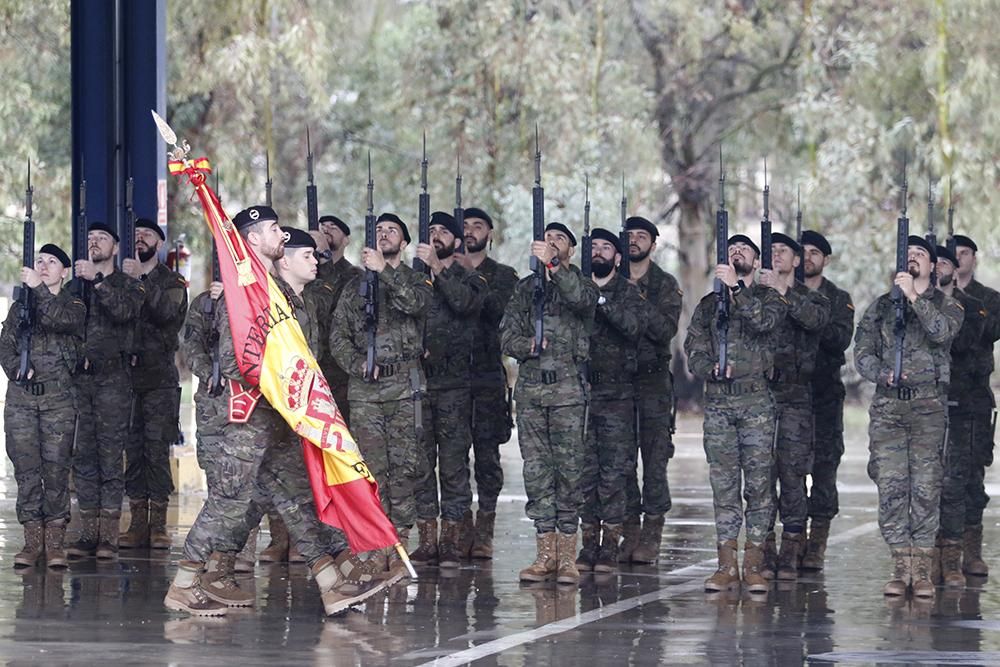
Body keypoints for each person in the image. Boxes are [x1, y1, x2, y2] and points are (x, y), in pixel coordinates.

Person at [166, 207, 398, 618]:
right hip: (245, 421)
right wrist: (283, 379)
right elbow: (235, 360)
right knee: (229, 503)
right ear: (253, 239)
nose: (282, 235)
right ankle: (185, 583)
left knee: (298, 498)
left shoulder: (272, 291)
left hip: (275, 419)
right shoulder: (245, 292)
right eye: (274, 229)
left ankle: (331, 581)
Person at [854, 236, 962, 598]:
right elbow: (862, 351)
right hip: (889, 408)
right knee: (891, 485)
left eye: (921, 255)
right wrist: (880, 372)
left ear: (933, 267)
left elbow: (941, 333)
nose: (913, 258)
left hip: (928, 408)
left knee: (927, 487)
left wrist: (914, 298)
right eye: (908, 253)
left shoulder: (947, 306)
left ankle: (923, 569)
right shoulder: (881, 307)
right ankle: (901, 566)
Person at [683, 234, 786, 594]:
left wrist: (737, 291)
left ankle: (754, 563)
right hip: (720, 404)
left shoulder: (768, 298)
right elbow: (693, 344)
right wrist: (707, 367)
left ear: (756, 263)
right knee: (724, 484)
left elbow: (764, 324)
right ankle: (726, 565)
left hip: (756, 403)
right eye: (732, 249)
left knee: (759, 485)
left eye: (745, 249)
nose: (737, 252)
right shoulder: (710, 305)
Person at [500, 221, 599, 585]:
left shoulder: (580, 284)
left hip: (568, 393)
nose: (552, 243)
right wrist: (528, 346)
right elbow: (506, 335)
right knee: (537, 473)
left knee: (570, 473)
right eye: (548, 238)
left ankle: (568, 557)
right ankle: (545, 554)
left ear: (570, 250)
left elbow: (582, 299)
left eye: (560, 239)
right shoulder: (525, 290)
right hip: (531, 393)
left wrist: (555, 268)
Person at [330, 213, 433, 545]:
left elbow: (416, 304)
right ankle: (376, 542)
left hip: (404, 390)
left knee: (404, 468)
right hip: (366, 394)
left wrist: (383, 272)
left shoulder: (416, 281)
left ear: (403, 243)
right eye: (378, 230)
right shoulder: (353, 288)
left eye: (392, 231)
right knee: (371, 469)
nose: (384, 234)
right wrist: (358, 363)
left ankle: (399, 540)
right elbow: (338, 338)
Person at [1, 244, 85, 568]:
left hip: (58, 402)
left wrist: (36, 288)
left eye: (52, 262)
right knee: (26, 470)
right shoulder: (20, 307)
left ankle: (55, 544)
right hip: (22, 399)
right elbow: (5, 343)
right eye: (40, 261)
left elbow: (60, 320)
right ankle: (32, 542)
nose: (44, 265)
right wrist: (15, 369)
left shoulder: (74, 304)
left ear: (64, 272)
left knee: (56, 470)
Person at [411, 211, 487, 567]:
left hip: (456, 386)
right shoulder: (413, 279)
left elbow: (464, 304)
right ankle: (427, 540)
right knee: (422, 464)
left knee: (454, 466)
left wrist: (439, 271)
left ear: (456, 242)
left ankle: (453, 540)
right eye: (431, 231)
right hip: (420, 386)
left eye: (444, 232)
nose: (436, 236)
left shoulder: (470, 279)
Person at [66, 222, 145, 560]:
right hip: (80, 382)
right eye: (89, 239)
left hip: (114, 381)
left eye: (101, 239)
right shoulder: (73, 288)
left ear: (115, 248)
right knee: (83, 457)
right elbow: (61, 327)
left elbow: (124, 313)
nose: (94, 243)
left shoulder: (129, 286)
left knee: (110, 457)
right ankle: (88, 533)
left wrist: (97, 282)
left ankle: (109, 537)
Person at [758, 232, 830, 581]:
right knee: (760, 477)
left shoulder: (810, 299)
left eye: (782, 251)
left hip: (796, 398)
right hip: (759, 396)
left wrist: (782, 293)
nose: (776, 255)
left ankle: (792, 547)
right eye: (770, 250)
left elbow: (816, 323)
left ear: (796, 261)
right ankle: (764, 548)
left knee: (792, 475)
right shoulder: (754, 296)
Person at [576, 228, 646, 574]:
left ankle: (610, 544)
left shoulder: (628, 293)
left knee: (615, 472)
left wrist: (600, 301)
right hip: (583, 393)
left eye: (607, 248)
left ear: (618, 258)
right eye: (594, 247)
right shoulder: (575, 289)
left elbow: (633, 328)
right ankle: (588, 542)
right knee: (585, 471)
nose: (599, 252)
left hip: (618, 394)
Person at [119, 218, 189, 550]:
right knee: (132, 451)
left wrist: (140, 282)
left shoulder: (172, 281)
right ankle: (136, 523)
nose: (140, 238)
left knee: (156, 450)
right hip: (127, 380)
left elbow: (165, 313)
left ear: (159, 244)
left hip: (159, 380)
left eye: (147, 234)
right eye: (135, 235)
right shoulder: (123, 280)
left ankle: (158, 524)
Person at [621, 216, 682, 564]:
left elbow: (664, 330)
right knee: (621, 461)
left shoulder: (664, 285)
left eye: (641, 236)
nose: (634, 241)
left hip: (653, 384)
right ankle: (629, 533)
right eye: (629, 236)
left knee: (655, 461)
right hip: (618, 385)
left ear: (653, 244)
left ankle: (652, 533)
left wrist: (634, 296)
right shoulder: (609, 280)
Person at [462, 206, 518, 560]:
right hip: (449, 379)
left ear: (490, 234)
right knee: (450, 462)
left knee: (486, 460)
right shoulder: (439, 270)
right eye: (464, 227)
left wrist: (470, 275)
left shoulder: (503, 275)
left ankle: (485, 529)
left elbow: (498, 311)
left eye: (477, 226)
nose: (470, 232)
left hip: (485, 378)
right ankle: (456, 529)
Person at [799, 230, 855, 571]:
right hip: (788, 394)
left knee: (824, 468)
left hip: (824, 396)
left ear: (826, 259)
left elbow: (838, 339)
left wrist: (805, 317)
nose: (807, 258)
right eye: (801, 251)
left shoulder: (838, 297)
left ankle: (816, 543)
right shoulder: (781, 292)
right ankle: (791, 541)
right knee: (785, 471)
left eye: (814, 253)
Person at [934, 244, 986, 587]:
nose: (938, 268)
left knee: (962, 481)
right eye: (932, 262)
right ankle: (927, 558)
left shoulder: (976, 307)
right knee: (928, 484)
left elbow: (961, 343)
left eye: (944, 263)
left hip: (966, 404)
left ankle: (961, 555)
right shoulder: (911, 302)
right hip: (926, 405)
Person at [951, 234, 1000, 577]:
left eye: (964, 253)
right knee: (938, 478)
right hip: (940, 398)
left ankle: (971, 551)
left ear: (974, 258)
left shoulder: (989, 299)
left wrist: (960, 297)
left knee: (971, 478)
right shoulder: (932, 295)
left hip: (974, 401)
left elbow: (987, 332)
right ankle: (942, 551)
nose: (958, 259)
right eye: (951, 254)